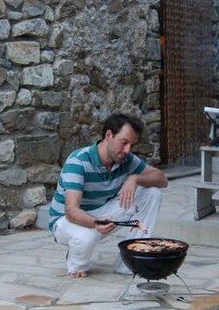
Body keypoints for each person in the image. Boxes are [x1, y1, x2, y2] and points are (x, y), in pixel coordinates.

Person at [48, 113, 168, 278]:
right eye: (124, 143)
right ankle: (76, 263)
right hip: (64, 221)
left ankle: (131, 262)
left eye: (132, 145)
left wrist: (134, 178)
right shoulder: (78, 161)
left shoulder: (126, 159)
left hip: (102, 211)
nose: (127, 150)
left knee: (152, 193)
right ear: (109, 135)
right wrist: (95, 223)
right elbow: (71, 210)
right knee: (87, 236)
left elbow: (162, 179)